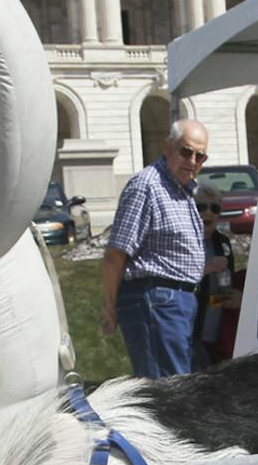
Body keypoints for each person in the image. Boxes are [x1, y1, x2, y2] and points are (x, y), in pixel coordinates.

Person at [100, 119, 210, 377]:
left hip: (178, 302)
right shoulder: (147, 186)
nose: (192, 161)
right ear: (167, 147)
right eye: (186, 151)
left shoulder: (183, 190)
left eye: (200, 156)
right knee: (167, 392)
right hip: (156, 302)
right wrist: (109, 306)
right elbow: (115, 254)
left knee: (177, 390)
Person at [193, 189, 234, 367]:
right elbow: (174, 280)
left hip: (217, 336)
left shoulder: (222, 242)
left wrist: (234, 299)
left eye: (215, 208)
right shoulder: (182, 241)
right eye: (201, 207)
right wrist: (208, 268)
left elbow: (222, 290)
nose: (208, 213)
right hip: (190, 332)